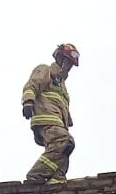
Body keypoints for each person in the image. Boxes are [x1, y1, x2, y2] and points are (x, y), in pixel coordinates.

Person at [21, 43, 79, 185]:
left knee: (67, 146)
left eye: (71, 65)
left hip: (58, 122)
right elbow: (32, 85)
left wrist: (68, 119)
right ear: (59, 58)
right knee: (64, 140)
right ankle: (36, 174)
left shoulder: (61, 85)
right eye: (67, 62)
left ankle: (57, 178)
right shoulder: (46, 70)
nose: (69, 67)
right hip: (45, 119)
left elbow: (59, 103)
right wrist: (28, 101)